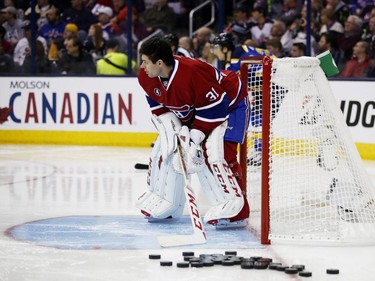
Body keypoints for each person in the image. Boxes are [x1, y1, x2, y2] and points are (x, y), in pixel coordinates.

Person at [136, 37, 250, 228]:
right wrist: (174, 134)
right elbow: (159, 107)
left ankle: (235, 207)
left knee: (216, 153)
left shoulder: (192, 72)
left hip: (231, 104)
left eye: (146, 61)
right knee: (165, 150)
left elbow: (217, 106)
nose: (142, 66)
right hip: (199, 110)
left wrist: (195, 138)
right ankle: (167, 201)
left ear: (159, 63)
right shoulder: (145, 76)